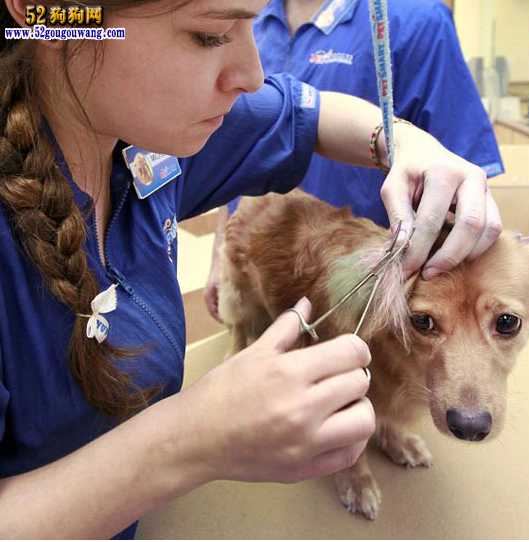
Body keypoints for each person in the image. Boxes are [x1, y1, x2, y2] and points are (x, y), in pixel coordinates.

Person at [0, 0, 501, 538]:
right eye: (209, 35)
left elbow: (303, 113)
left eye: (252, 21)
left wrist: (405, 143)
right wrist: (188, 442)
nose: (253, 75)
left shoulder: (142, 129)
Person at [204, 0, 504, 322]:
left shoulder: (415, 19)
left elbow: (462, 181)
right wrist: (221, 254)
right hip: (257, 263)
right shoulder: (248, 14)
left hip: (360, 297)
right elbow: (238, 145)